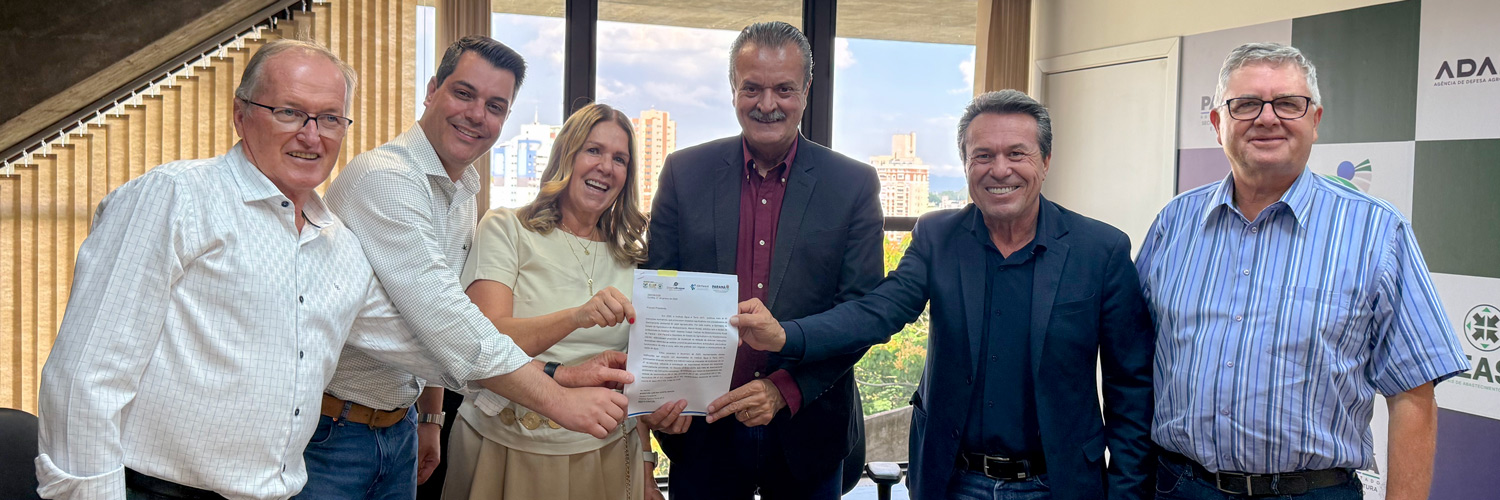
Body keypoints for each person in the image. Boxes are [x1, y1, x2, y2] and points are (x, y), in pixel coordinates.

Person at [35, 38, 626, 500]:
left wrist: (555, 375)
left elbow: (417, 342)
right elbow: (84, 381)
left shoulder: (333, 242)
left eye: (330, 118)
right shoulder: (175, 197)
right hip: (165, 487)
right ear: (241, 114)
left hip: (282, 484)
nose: (311, 135)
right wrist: (554, 399)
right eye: (289, 112)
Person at [733, 90, 1156, 500]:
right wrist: (786, 335)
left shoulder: (1100, 251)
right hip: (952, 480)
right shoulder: (937, 237)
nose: (1000, 170)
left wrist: (1127, 491)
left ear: (1045, 162)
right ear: (966, 164)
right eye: (983, 156)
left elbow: (1130, 388)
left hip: (1058, 483)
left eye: (1016, 154)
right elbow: (879, 311)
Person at [300, 36, 631, 500]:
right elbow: (450, 325)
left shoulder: (462, 191)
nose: (478, 115)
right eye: (464, 93)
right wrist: (560, 391)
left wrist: (430, 417)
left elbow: (427, 320)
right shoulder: (387, 179)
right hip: (334, 432)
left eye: (495, 106)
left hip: (398, 425)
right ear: (432, 90)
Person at [1135, 42, 1470, 500]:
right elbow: (1134, 365)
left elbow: (1414, 391)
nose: (1267, 118)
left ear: (1315, 120)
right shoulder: (1173, 223)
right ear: (1217, 123)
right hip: (1180, 486)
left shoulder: (1377, 231)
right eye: (1246, 104)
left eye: (1288, 104)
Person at [643, 20, 884, 499]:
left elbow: (860, 314)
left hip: (808, 426)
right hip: (702, 428)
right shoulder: (683, 173)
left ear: (806, 91)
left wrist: (783, 389)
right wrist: (660, 394)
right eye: (751, 87)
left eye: (784, 89)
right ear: (733, 88)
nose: (767, 103)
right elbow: (658, 292)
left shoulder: (852, 184)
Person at [439, 103, 661, 500]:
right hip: (505, 447)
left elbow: (630, 375)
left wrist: (646, 467)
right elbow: (483, 341)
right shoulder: (506, 228)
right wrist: (576, 316)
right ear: (566, 156)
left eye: (620, 159)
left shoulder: (632, 257)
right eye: (593, 150)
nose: (606, 167)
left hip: (608, 453)